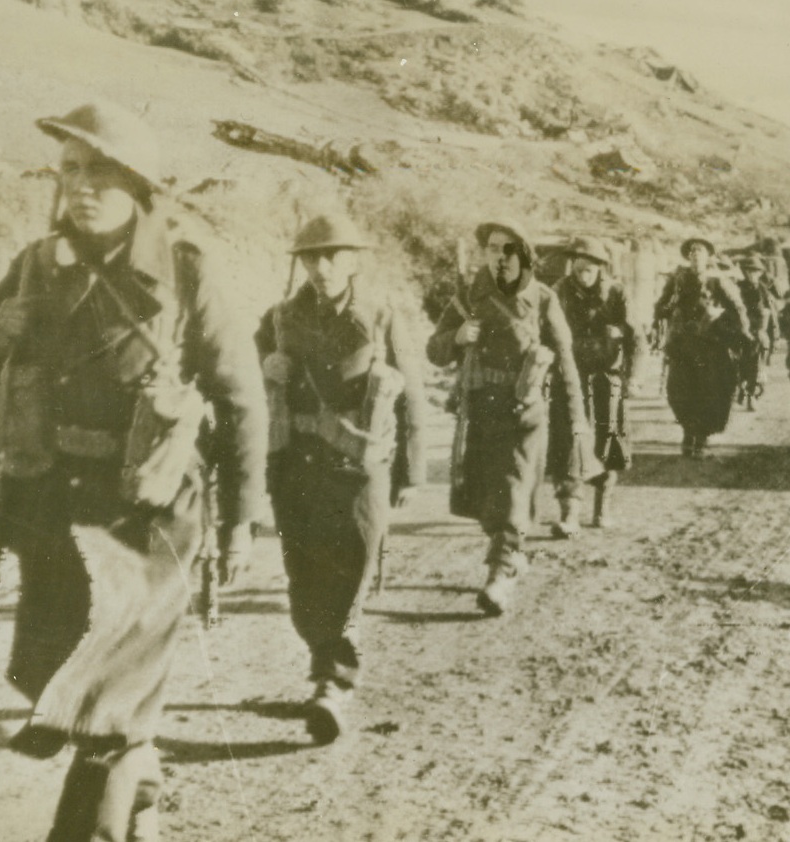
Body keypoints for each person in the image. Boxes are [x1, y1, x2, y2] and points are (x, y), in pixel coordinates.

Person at [0, 101, 267, 842]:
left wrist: (244, 519)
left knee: (100, 707)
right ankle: (140, 774)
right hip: (54, 512)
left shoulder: (186, 270)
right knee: (52, 681)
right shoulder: (35, 266)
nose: (80, 187)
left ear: (136, 185)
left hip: (149, 520)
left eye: (98, 172)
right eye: (69, 170)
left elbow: (242, 397)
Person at [256, 214, 426, 743]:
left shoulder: (379, 316)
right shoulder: (280, 317)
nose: (322, 266)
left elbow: (413, 396)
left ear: (353, 260)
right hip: (298, 467)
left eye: (333, 256)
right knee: (303, 575)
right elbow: (244, 383)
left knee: (351, 568)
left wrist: (410, 470)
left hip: (359, 469)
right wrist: (266, 367)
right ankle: (323, 661)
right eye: (311, 257)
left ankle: (334, 680)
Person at [427, 219, 585, 616]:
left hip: (524, 410)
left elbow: (565, 364)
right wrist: (458, 337)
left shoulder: (544, 298)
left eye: (508, 248)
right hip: (480, 409)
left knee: (512, 487)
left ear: (524, 254)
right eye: (492, 248)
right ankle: (511, 552)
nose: (499, 256)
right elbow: (435, 350)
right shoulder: (467, 296)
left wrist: (576, 418)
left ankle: (501, 569)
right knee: (486, 493)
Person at [546, 236, 642, 534]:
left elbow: (636, 338)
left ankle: (603, 505)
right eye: (578, 265)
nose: (583, 272)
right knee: (567, 442)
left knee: (607, 440)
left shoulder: (616, 293)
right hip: (568, 379)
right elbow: (543, 332)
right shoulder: (558, 293)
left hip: (606, 379)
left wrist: (634, 377)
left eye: (590, 267)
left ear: (601, 267)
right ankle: (570, 512)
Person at [653, 237, 748, 458]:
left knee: (709, 391)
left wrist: (730, 327)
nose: (696, 255)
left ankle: (702, 438)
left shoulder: (718, 281)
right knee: (679, 391)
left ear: (708, 256)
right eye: (692, 251)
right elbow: (660, 308)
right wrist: (670, 307)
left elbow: (738, 308)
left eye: (700, 251)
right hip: (682, 345)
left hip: (710, 347)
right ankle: (688, 433)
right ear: (688, 256)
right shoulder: (677, 280)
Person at [735, 254, 774, 410]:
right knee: (738, 363)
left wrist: (771, 334)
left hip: (757, 332)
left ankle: (751, 395)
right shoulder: (738, 288)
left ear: (760, 273)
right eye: (749, 271)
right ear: (744, 272)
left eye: (756, 271)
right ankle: (741, 389)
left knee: (755, 365)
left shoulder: (763, 290)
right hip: (739, 331)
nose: (752, 274)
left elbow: (770, 312)